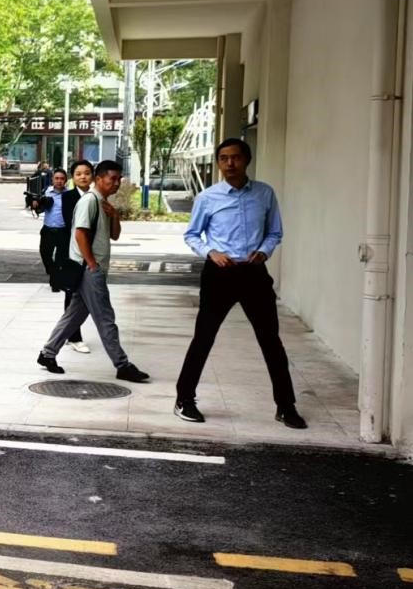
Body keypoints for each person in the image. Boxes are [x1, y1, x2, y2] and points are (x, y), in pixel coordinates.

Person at [174, 139, 306, 429]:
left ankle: (286, 406)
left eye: (235, 157)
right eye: (223, 158)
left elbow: (275, 232)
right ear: (218, 162)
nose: (229, 163)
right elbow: (192, 234)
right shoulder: (208, 197)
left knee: (271, 340)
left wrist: (265, 251)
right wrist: (211, 252)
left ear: (247, 160)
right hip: (219, 274)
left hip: (253, 273)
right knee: (204, 337)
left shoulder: (264, 193)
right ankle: (184, 399)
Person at [36, 160, 150, 383]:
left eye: (119, 179)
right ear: (99, 179)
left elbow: (114, 235)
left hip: (90, 268)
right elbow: (80, 233)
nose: (116, 183)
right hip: (88, 269)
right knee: (105, 318)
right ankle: (122, 365)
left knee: (74, 315)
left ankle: (47, 354)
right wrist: (92, 264)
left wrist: (114, 215)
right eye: (112, 178)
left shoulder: (102, 202)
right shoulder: (90, 201)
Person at [39, 160, 94, 355]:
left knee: (97, 300)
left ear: (93, 176)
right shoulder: (68, 197)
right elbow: (72, 227)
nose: (83, 177)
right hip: (74, 253)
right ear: (73, 177)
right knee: (72, 294)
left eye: (87, 173)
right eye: (78, 173)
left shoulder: (96, 196)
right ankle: (74, 337)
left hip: (95, 255)